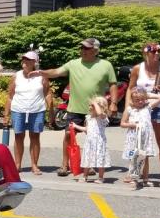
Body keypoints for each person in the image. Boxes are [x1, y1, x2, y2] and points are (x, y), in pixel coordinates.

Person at [36, 38, 117, 177]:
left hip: (94, 111)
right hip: (74, 108)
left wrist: (114, 103)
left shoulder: (106, 65)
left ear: (96, 51)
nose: (83, 51)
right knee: (68, 135)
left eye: (87, 48)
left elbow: (113, 84)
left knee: (92, 137)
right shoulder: (73, 63)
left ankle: (89, 165)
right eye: (82, 48)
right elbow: (56, 72)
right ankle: (64, 165)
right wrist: (40, 72)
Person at [127, 41, 160, 184]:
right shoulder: (138, 68)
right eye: (153, 51)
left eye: (159, 50)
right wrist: (128, 107)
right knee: (138, 141)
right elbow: (130, 88)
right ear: (145, 52)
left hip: (159, 108)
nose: (157, 53)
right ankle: (136, 172)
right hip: (141, 109)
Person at [3, 50, 49, 175]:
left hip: (37, 110)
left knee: (35, 137)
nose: (24, 61)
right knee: (18, 137)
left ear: (35, 62)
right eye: (23, 59)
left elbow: (47, 94)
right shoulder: (16, 76)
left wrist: (51, 112)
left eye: (28, 59)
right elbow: (10, 96)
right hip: (18, 110)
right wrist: (6, 115)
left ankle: (34, 165)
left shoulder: (42, 76)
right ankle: (17, 164)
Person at [120, 86, 160, 189]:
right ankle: (134, 179)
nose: (140, 102)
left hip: (145, 138)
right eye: (137, 100)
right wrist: (132, 125)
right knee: (134, 158)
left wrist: (147, 94)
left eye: (142, 99)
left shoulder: (148, 107)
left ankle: (145, 179)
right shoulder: (129, 109)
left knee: (145, 159)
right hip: (134, 138)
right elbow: (122, 123)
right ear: (132, 100)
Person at [72, 95, 110, 183]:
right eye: (90, 105)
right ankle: (85, 176)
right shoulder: (89, 118)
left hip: (99, 142)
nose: (90, 107)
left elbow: (100, 113)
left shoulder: (103, 117)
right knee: (87, 159)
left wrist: (95, 104)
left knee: (100, 160)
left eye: (92, 105)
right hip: (89, 142)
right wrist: (75, 126)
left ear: (100, 107)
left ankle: (100, 177)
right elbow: (86, 129)